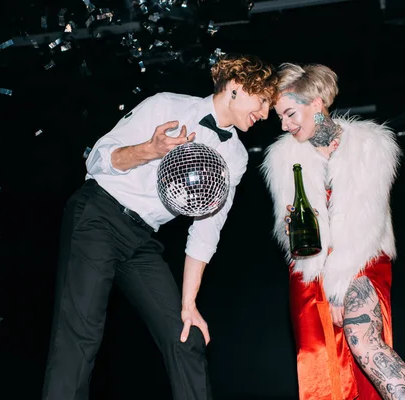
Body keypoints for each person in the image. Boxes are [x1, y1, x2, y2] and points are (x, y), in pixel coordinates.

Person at [41, 54, 278, 400]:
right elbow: (96, 159)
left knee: (186, 334)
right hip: (99, 215)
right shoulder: (165, 105)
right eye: (262, 102)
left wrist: (189, 304)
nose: (265, 114)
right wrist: (149, 149)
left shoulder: (236, 157)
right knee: (81, 334)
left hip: (141, 237)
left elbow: (207, 229)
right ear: (236, 88)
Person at [260, 63, 405, 400]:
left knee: (365, 342)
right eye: (280, 117)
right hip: (310, 273)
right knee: (322, 368)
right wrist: (291, 228)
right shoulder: (282, 158)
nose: (284, 124)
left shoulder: (370, 146)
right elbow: (293, 234)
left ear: (316, 103)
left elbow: (365, 223)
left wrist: (338, 290)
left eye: (290, 113)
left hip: (362, 260)